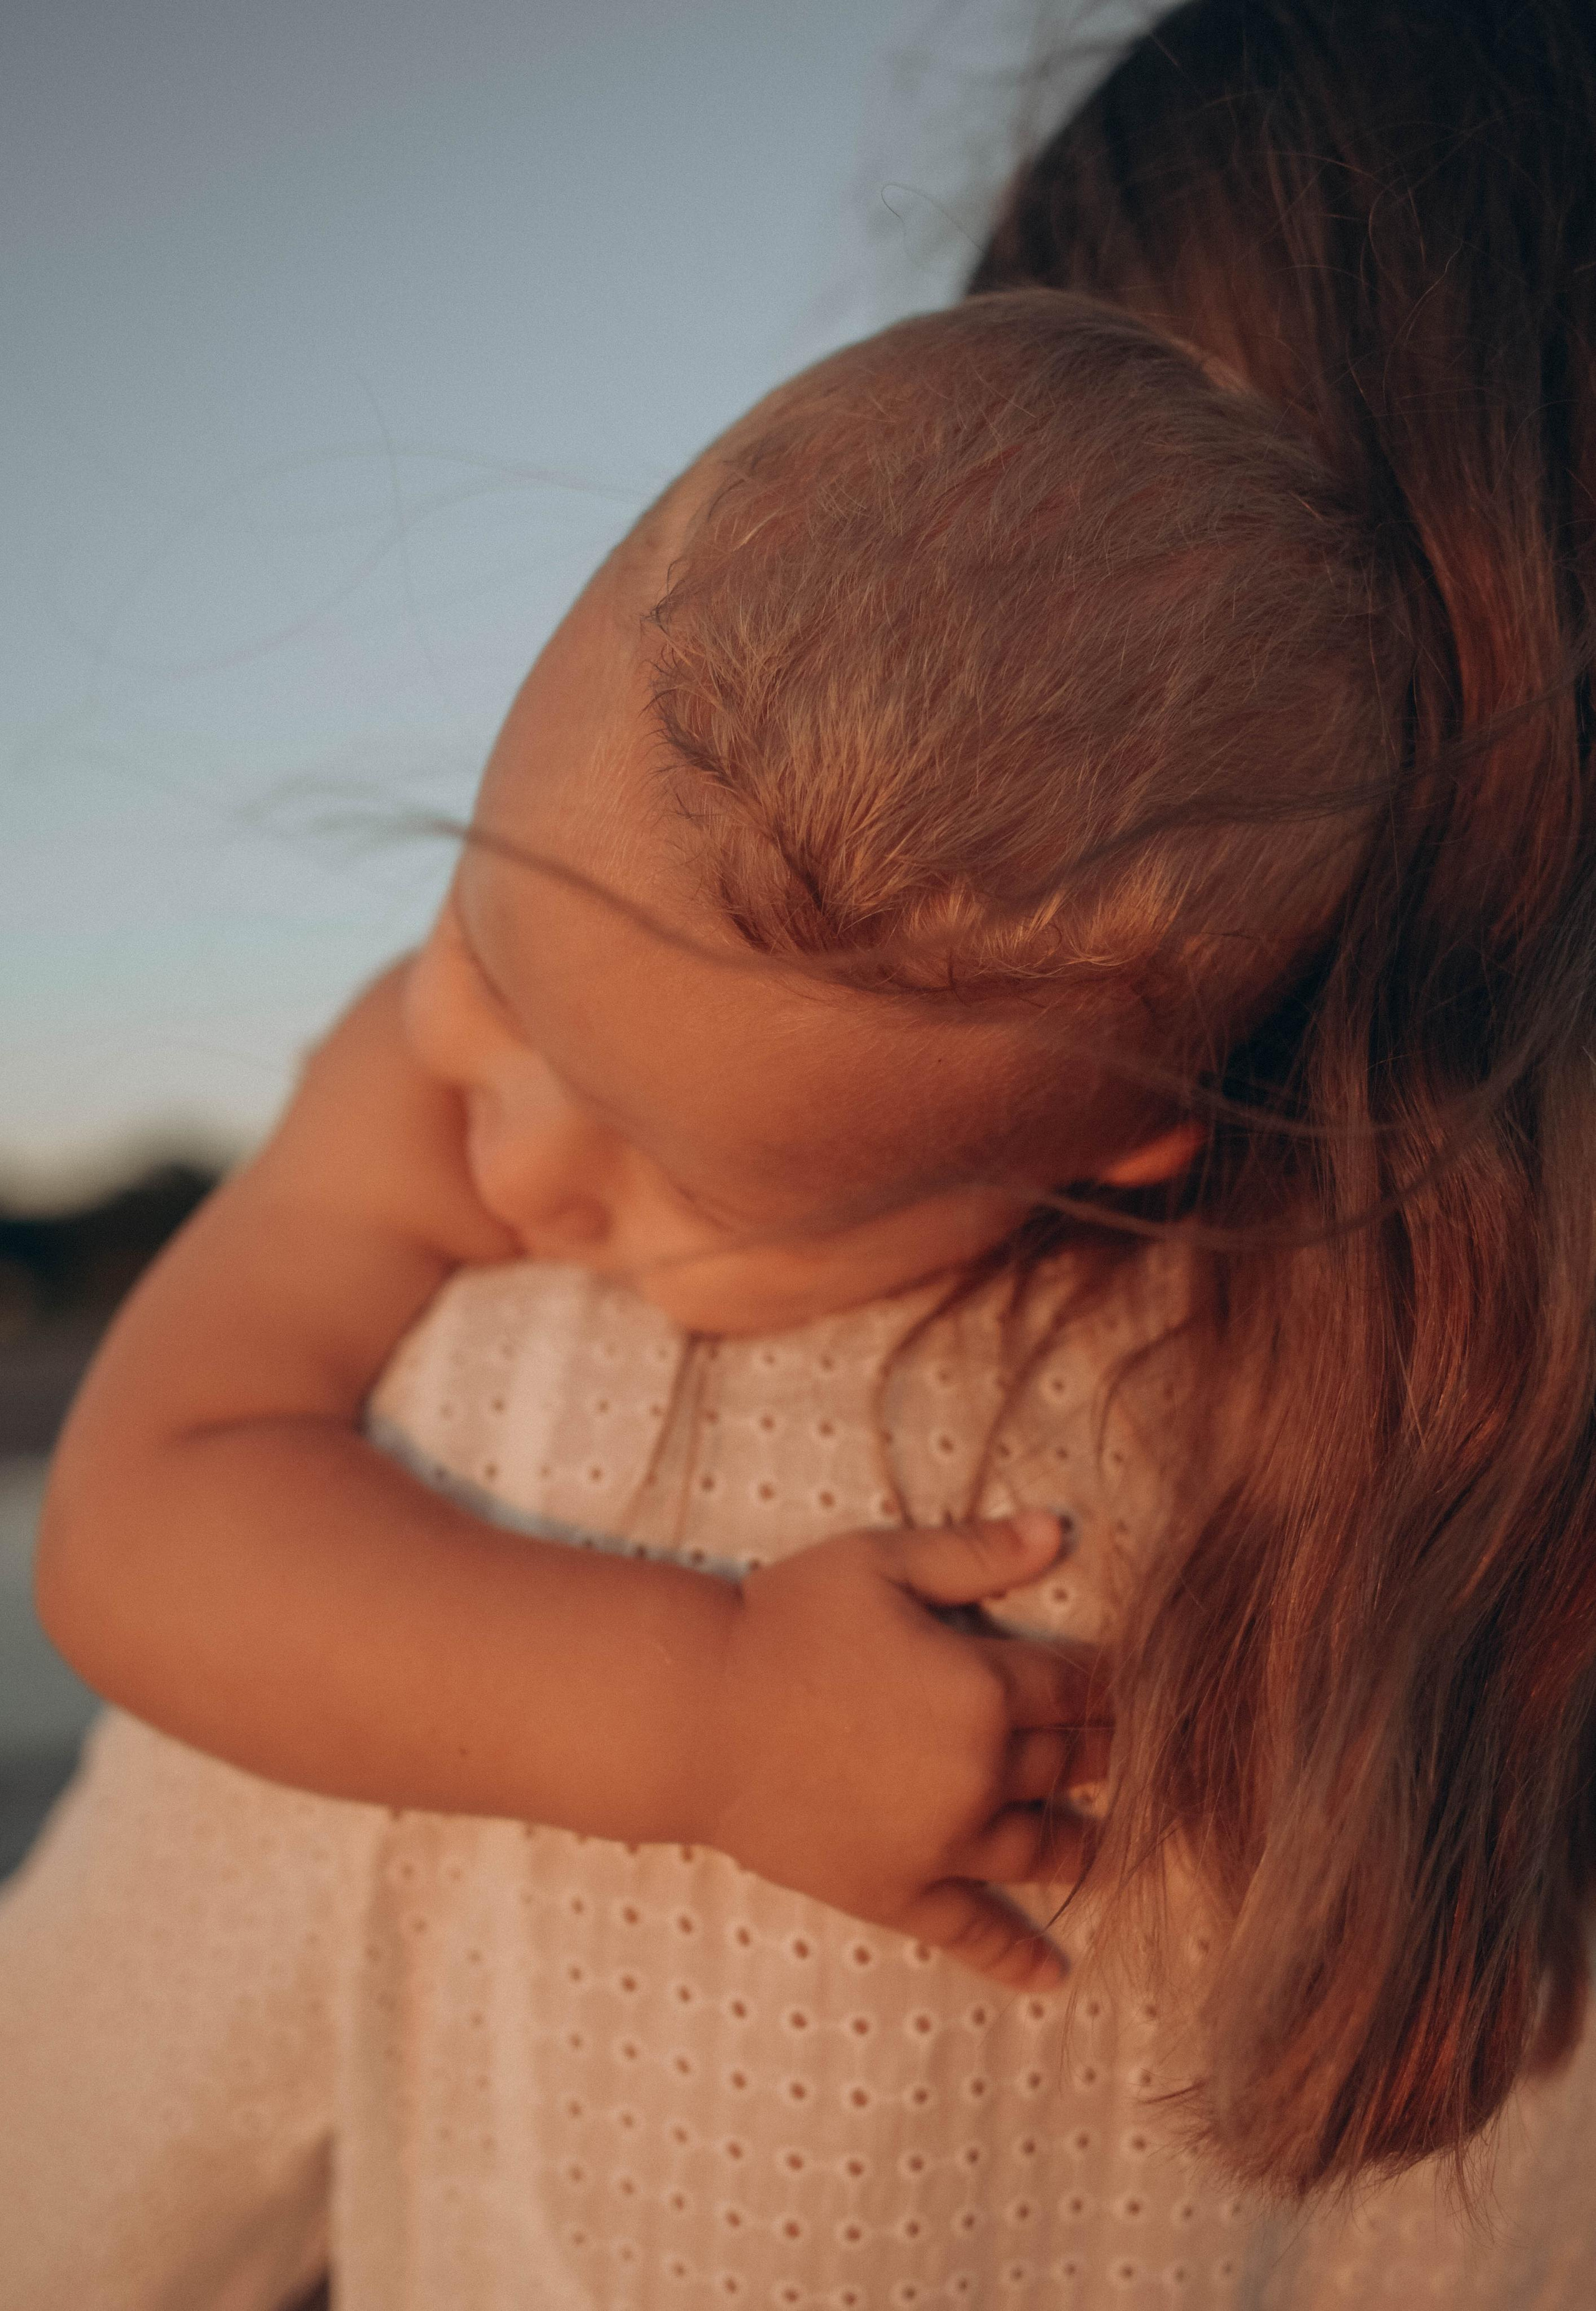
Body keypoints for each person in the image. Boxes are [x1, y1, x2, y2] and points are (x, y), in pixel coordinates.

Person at [4, 0, 1596, 2302]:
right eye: (481, 948)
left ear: (1114, 1144)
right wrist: (689, 1708)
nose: (514, 1159)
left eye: (675, 1173)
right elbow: (135, 1514)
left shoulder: (551, 1411)